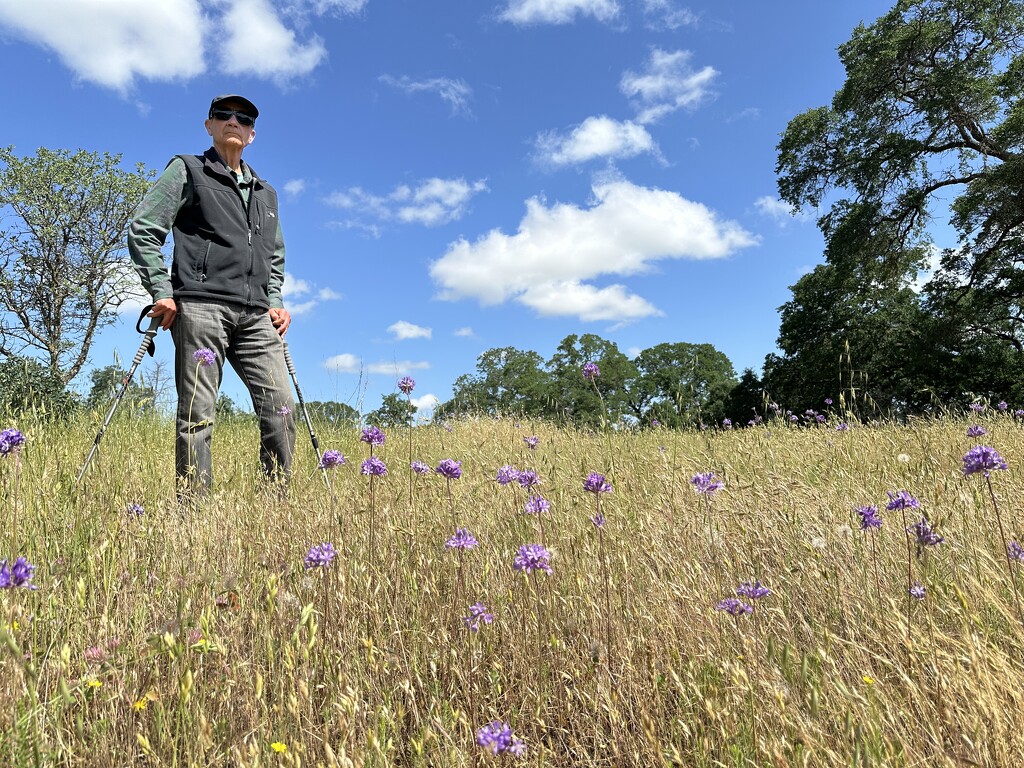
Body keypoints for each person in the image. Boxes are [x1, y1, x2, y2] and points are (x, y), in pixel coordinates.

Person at [128, 94, 296, 498]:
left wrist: (274, 298)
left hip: (257, 315)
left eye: (243, 118)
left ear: (252, 134)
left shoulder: (266, 192)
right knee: (197, 414)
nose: (232, 121)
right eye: (223, 115)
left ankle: (276, 505)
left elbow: (275, 254)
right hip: (200, 306)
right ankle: (193, 515)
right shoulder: (186, 169)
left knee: (281, 407)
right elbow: (144, 228)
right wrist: (161, 291)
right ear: (210, 126)